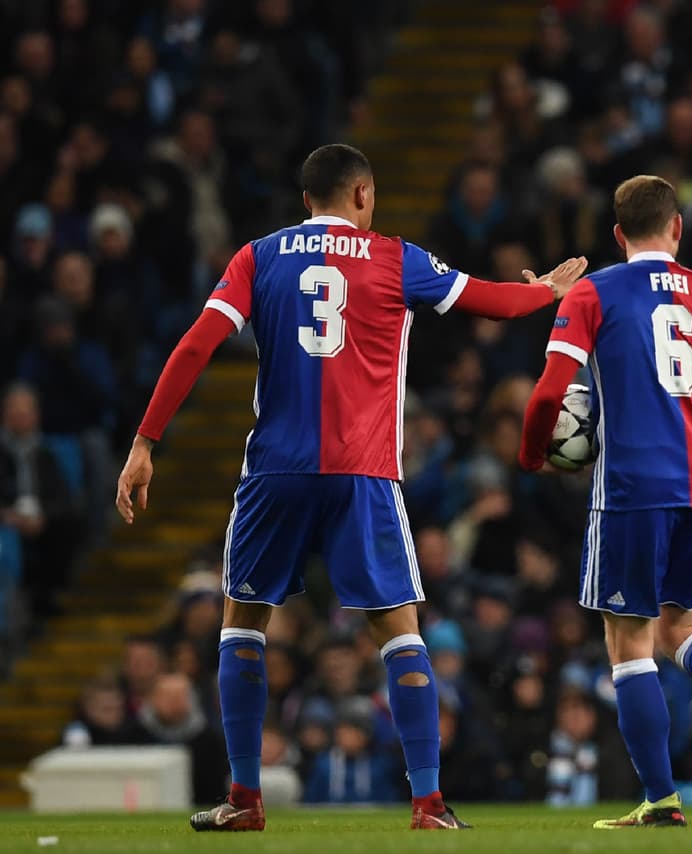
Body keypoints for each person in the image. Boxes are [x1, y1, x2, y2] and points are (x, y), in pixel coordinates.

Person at [114, 143, 587, 832]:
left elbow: (194, 346)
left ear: (308, 200)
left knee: (242, 623)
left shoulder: (258, 256)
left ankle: (244, 800)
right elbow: (494, 304)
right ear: (363, 195)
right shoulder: (396, 258)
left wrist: (144, 443)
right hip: (361, 470)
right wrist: (546, 290)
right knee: (398, 631)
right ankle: (428, 803)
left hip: (275, 471)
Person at [518, 174, 692, 828]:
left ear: (618, 234)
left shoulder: (594, 292)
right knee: (684, 626)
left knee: (629, 644)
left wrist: (534, 455)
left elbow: (545, 395)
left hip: (630, 489)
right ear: (678, 228)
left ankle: (660, 799)